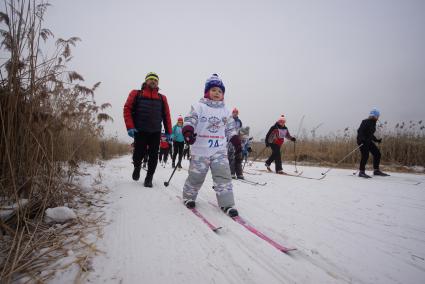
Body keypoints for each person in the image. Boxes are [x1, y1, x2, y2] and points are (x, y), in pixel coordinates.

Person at [181, 74, 241, 217]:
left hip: (219, 150)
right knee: (196, 177)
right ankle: (188, 197)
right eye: (213, 90)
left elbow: (231, 129)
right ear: (207, 92)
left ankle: (227, 204)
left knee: (223, 176)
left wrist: (236, 142)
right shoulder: (199, 106)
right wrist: (188, 131)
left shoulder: (226, 111)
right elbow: (190, 120)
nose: (217, 93)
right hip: (200, 149)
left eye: (220, 91)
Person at [123, 72, 172, 187]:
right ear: (146, 81)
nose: (153, 81)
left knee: (154, 155)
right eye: (151, 79)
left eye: (155, 80)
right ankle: (137, 166)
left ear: (158, 83)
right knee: (138, 153)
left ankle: (149, 178)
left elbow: (166, 115)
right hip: (140, 130)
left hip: (155, 131)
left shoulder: (162, 98)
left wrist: (169, 131)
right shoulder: (136, 93)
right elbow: (127, 109)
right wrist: (130, 126)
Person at [357, 108, 389, 178]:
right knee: (365, 155)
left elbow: (370, 135)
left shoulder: (373, 123)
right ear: (374, 116)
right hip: (362, 141)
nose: (378, 117)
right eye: (377, 116)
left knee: (377, 154)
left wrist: (377, 140)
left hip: (368, 141)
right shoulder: (365, 121)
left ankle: (376, 170)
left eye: (378, 116)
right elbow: (360, 131)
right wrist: (361, 139)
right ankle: (361, 172)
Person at [227, 108, 244, 179]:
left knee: (238, 156)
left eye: (236, 112)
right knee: (231, 156)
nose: (235, 113)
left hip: (237, 140)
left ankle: (239, 173)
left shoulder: (239, 121)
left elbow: (241, 131)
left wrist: (241, 139)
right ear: (232, 113)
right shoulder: (229, 120)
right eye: (234, 112)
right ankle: (232, 173)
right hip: (231, 140)